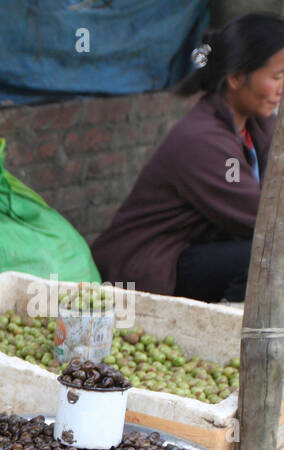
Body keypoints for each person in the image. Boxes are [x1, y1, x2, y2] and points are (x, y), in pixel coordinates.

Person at [91, 14, 284, 303]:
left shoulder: (257, 125)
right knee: (263, 258)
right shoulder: (202, 140)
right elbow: (264, 218)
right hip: (148, 269)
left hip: (198, 250)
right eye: (276, 77)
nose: (281, 88)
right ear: (235, 78)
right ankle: (230, 333)